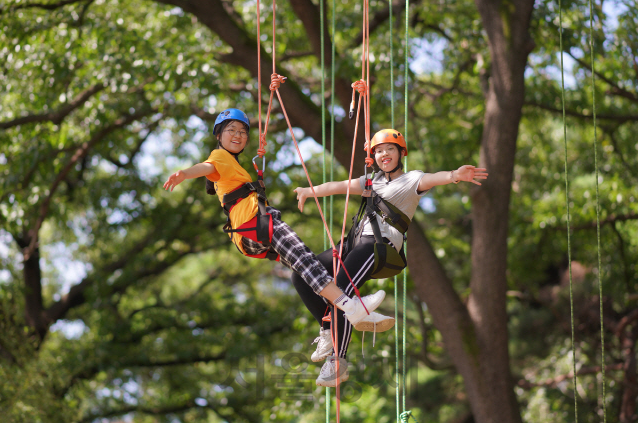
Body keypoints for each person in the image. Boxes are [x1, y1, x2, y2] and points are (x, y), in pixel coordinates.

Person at [292, 128, 488, 387]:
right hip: (352, 245)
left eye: (390, 149)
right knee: (302, 275)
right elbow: (339, 187)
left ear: (400, 153)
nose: (384, 154)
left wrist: (454, 176)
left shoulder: (411, 181)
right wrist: (310, 190)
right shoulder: (371, 182)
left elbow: (432, 178)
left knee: (340, 290)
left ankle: (339, 362)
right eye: (379, 150)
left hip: (377, 245)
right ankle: (330, 328)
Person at [163, 108, 387, 334]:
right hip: (255, 222)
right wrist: (185, 173)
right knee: (304, 259)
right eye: (231, 130)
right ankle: (351, 307)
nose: (238, 135)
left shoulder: (234, 165)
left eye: (242, 132)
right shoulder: (218, 157)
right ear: (218, 135)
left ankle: (328, 329)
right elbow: (207, 167)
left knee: (302, 268)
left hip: (248, 232)